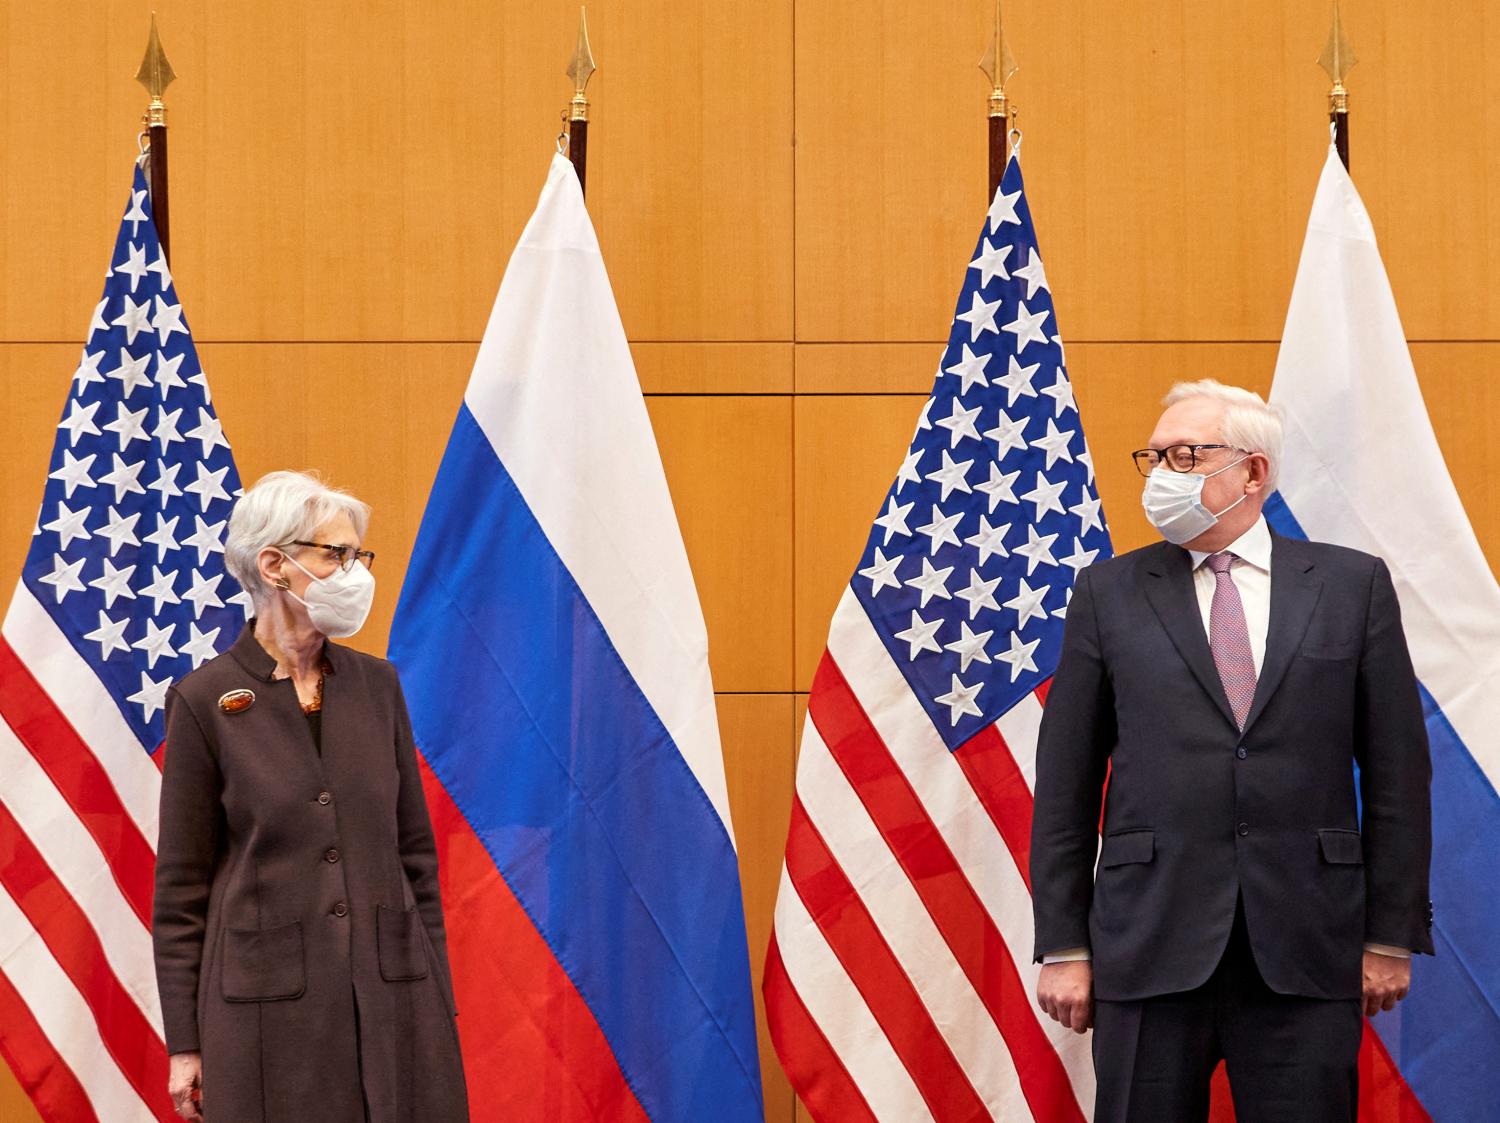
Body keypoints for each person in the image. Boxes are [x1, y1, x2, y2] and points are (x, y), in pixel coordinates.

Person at [1030, 381, 1432, 1122]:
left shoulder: (1351, 586)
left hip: (1307, 944)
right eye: (1153, 457)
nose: (1163, 475)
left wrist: (1389, 934)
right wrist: (1063, 943)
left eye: (1186, 455)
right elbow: (1065, 782)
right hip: (1147, 943)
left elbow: (1398, 776)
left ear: (1254, 471)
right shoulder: (1107, 592)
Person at [152, 470, 468, 1123]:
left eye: (358, 555)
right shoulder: (204, 700)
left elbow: (416, 858)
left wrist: (437, 993)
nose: (354, 572)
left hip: (395, 1004)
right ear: (274, 564)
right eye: (336, 554)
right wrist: (185, 1043)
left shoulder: (379, 687)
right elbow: (180, 894)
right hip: (265, 1018)